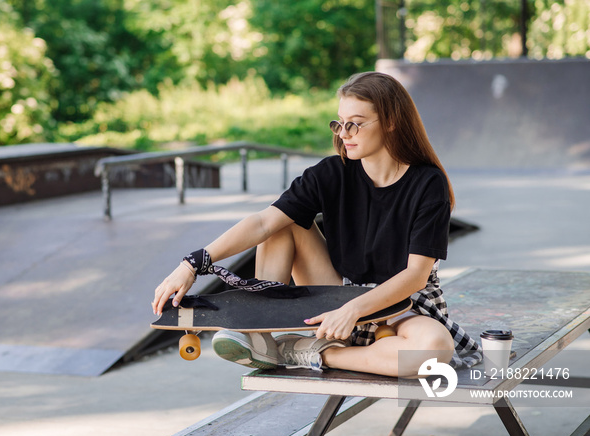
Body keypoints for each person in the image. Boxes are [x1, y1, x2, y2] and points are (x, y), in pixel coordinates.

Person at [152, 71, 481, 377]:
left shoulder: (427, 183)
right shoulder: (331, 172)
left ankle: (308, 352)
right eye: (339, 123)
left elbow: (414, 276)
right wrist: (193, 263)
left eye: (356, 124)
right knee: (284, 222)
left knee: (434, 349)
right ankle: (261, 338)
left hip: (405, 302)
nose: (344, 134)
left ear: (392, 122)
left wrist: (352, 311)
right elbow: (264, 223)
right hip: (338, 296)